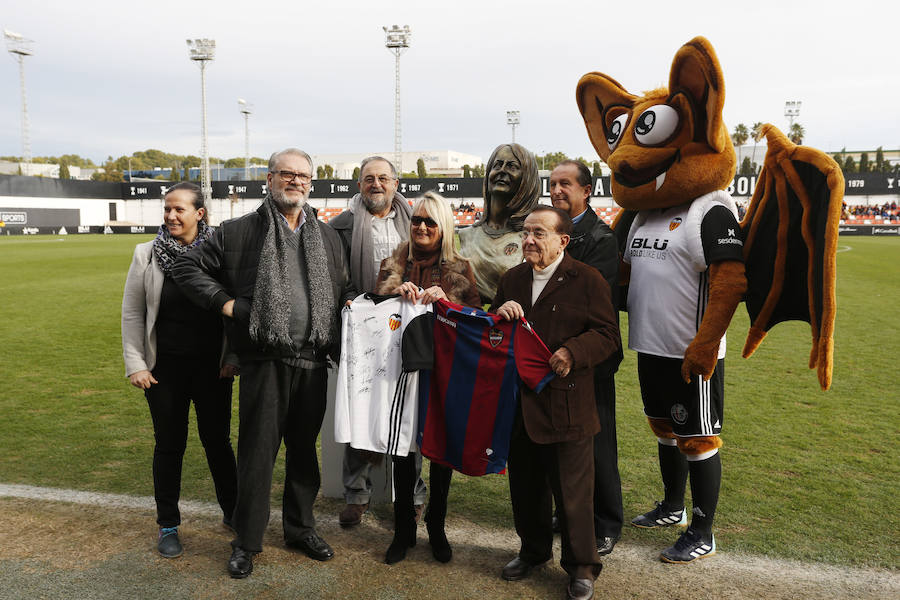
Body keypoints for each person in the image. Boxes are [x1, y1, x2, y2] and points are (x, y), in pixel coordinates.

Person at [172, 148, 354, 579]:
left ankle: (300, 528)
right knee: (257, 455)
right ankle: (247, 541)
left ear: (311, 183)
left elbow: (343, 288)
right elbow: (186, 267)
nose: (296, 182)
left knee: (304, 455)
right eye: (287, 174)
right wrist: (228, 305)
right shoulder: (238, 231)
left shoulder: (328, 236)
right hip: (264, 361)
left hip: (312, 359)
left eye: (303, 176)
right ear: (269, 179)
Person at [493, 206, 620, 600]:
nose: (529, 240)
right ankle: (532, 552)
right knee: (526, 489)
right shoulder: (512, 279)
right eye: (526, 232)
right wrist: (499, 315)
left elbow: (608, 335)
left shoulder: (588, 279)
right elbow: (495, 337)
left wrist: (573, 351)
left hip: (568, 406)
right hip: (520, 407)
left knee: (573, 495)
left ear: (563, 241)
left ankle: (582, 567)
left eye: (539, 233)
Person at [121, 182, 238, 559]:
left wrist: (232, 357)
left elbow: (235, 310)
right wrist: (136, 364)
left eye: (179, 210)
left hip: (212, 369)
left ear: (199, 214)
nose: (171, 216)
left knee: (217, 443)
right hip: (163, 371)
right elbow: (133, 312)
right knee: (169, 446)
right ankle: (167, 524)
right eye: (167, 209)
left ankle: (233, 513)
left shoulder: (219, 253)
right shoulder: (146, 254)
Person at [372, 191, 480, 565]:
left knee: (441, 450)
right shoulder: (392, 263)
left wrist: (447, 300)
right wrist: (392, 295)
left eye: (430, 222)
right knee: (402, 450)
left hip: (444, 373)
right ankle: (403, 528)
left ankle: (436, 522)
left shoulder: (461, 268)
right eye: (417, 220)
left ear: (444, 227)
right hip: (400, 371)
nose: (420, 227)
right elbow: (374, 314)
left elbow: (475, 321)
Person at [329, 156, 427, 527]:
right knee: (361, 405)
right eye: (369, 178)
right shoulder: (342, 225)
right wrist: (349, 302)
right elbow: (337, 278)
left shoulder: (416, 221)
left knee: (408, 407)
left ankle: (413, 492)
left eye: (383, 178)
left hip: (406, 323)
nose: (376, 184)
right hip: (363, 324)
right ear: (359, 185)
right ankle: (357, 492)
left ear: (395, 183)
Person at [549, 160, 624, 556]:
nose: (557, 190)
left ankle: (607, 522)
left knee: (597, 441)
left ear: (587, 190)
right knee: (562, 440)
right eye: (552, 183)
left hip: (591, 357)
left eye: (565, 184)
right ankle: (570, 512)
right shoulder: (552, 230)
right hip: (555, 356)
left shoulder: (600, 237)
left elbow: (590, 304)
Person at [459, 143, 540, 304]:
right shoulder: (466, 235)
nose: (502, 170)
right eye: (497, 165)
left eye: (512, 166)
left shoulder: (531, 238)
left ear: (527, 179)